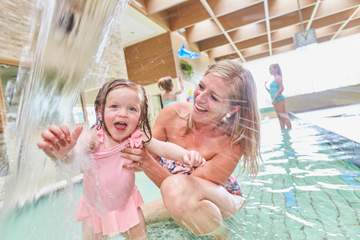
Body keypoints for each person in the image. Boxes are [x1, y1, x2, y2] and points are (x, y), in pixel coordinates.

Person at [37, 79, 205, 240]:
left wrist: (185, 155)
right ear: (100, 111)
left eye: (132, 109)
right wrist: (63, 154)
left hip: (127, 204)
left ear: (141, 115)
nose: (123, 114)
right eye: (114, 107)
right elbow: (75, 161)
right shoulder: (94, 137)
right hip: (95, 209)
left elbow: (163, 147)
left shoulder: (137, 135)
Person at [120, 60, 261, 239]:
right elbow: (145, 156)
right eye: (201, 87)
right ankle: (210, 223)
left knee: (178, 191)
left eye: (214, 97)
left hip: (223, 197)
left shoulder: (232, 143)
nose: (200, 98)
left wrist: (146, 162)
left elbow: (179, 188)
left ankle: (222, 236)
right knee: (126, 224)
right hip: (186, 199)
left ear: (232, 109)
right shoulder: (171, 115)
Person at [265, 63, 292, 130]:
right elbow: (272, 91)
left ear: (276, 69)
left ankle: (289, 129)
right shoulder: (274, 79)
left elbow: (282, 88)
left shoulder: (278, 77)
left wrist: (274, 98)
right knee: (279, 117)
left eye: (271, 69)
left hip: (279, 99)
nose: (270, 71)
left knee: (282, 115)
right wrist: (266, 87)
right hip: (275, 100)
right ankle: (283, 131)